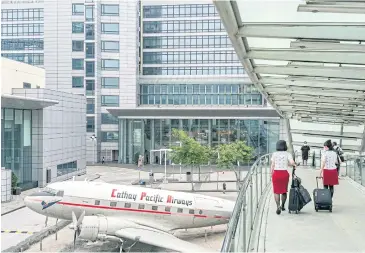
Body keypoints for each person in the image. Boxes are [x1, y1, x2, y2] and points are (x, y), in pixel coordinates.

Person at [271, 140, 297, 215]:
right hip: (284, 174)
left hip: (276, 173)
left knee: (276, 191)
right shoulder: (287, 154)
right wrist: (295, 165)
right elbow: (291, 162)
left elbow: (272, 164)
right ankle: (282, 206)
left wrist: (271, 173)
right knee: (283, 191)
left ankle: (278, 206)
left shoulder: (274, 154)